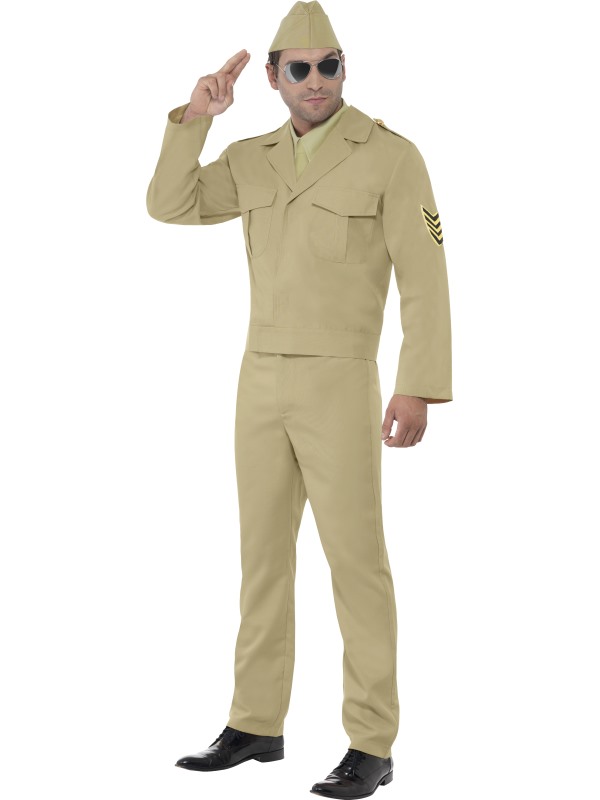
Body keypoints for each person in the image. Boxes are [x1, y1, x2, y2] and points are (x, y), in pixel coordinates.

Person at [146, 2, 452, 797]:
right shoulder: (251, 158)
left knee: (356, 563)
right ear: (275, 78)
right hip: (258, 379)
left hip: (340, 379)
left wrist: (418, 383)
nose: (316, 80)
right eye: (300, 68)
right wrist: (195, 120)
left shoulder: (390, 157)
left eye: (330, 65)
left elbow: (424, 276)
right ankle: (255, 723)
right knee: (262, 561)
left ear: (344, 70)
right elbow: (170, 204)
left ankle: (372, 742)